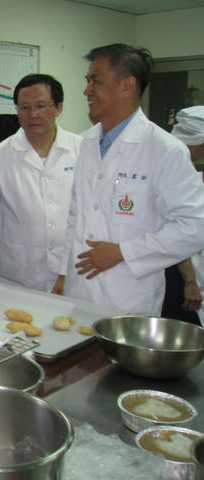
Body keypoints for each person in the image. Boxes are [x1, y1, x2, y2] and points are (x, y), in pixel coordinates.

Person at [53, 45, 204, 315]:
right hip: (79, 291)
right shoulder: (87, 142)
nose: (87, 91)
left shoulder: (165, 150)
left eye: (96, 81)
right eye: (87, 81)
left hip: (128, 299)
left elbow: (194, 228)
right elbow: (76, 217)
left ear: (127, 85)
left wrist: (123, 252)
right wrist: (64, 272)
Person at [0, 74, 82, 292]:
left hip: (69, 274)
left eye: (41, 106)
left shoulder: (82, 150)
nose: (32, 115)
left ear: (58, 108)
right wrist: (19, 227)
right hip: (14, 278)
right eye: (24, 108)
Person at [162, 105, 204, 325]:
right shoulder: (177, 167)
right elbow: (175, 228)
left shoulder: (181, 165)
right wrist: (190, 281)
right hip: (175, 271)